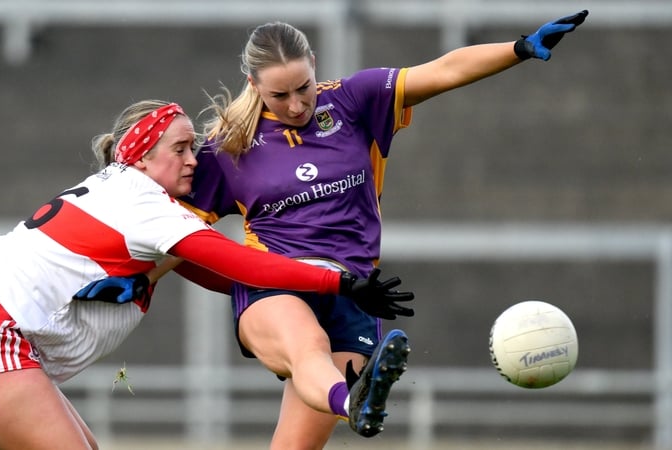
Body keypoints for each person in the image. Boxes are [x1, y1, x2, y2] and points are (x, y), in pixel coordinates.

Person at [175, 10, 588, 449]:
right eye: (280, 95)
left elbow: (444, 70)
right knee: (308, 345)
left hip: (354, 291)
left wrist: (519, 49)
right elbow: (171, 239)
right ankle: (350, 397)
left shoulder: (354, 100)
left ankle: (350, 398)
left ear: (314, 63)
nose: (296, 105)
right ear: (253, 84)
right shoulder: (228, 149)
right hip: (277, 285)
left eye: (304, 88)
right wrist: (133, 279)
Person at [0, 99, 414, 450]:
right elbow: (234, 259)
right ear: (143, 158)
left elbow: (216, 272)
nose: (196, 159)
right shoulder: (146, 205)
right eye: (181, 149)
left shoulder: (121, 194)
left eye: (194, 146)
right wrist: (340, 282)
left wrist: (288, 299)